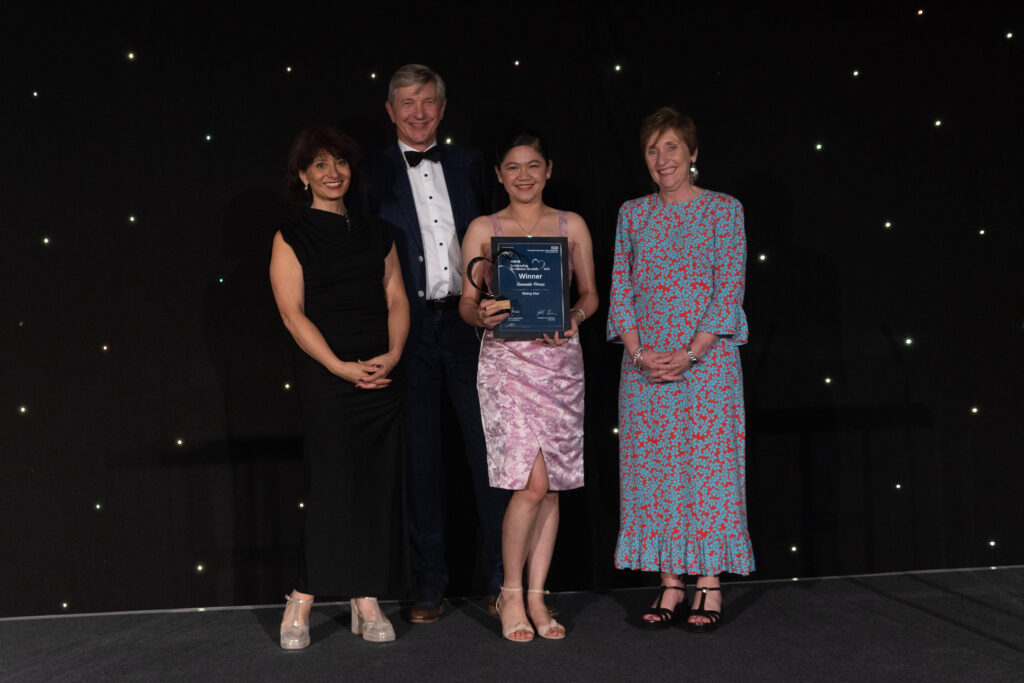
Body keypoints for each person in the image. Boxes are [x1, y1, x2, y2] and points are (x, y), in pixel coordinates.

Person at [361, 64, 509, 623]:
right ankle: (429, 586)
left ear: (443, 110)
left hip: (471, 326)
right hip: (408, 330)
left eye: (428, 102)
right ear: (390, 112)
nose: (419, 112)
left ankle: (502, 581)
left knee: (490, 454)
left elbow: (505, 234)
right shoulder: (370, 173)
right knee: (421, 459)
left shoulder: (473, 166)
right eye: (407, 103)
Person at [607, 107, 755, 633]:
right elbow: (620, 291)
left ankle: (708, 583)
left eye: (672, 147)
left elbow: (729, 288)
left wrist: (690, 354)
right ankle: (670, 582)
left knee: (708, 473)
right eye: (652, 149)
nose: (662, 158)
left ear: (693, 154)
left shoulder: (724, 210)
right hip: (644, 366)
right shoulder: (631, 214)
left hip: (708, 367)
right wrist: (641, 352)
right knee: (654, 474)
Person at [269, 126, 409, 649]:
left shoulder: (379, 232)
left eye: (341, 163)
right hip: (327, 374)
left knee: (375, 483)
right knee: (330, 484)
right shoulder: (291, 235)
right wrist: (338, 366)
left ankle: (364, 596)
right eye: (321, 165)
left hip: (381, 369)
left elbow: (396, 297)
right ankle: (302, 597)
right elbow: (291, 314)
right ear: (303, 176)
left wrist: (392, 354)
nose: (333, 173)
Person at [459, 133, 598, 641]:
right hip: (506, 364)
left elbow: (589, 293)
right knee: (530, 484)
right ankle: (510, 593)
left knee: (553, 488)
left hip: (560, 362)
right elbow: (466, 305)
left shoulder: (571, 225)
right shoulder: (483, 228)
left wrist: (576, 317)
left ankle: (538, 599)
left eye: (533, 166)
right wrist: (484, 312)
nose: (523, 176)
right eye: (513, 167)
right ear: (498, 173)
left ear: (548, 169)